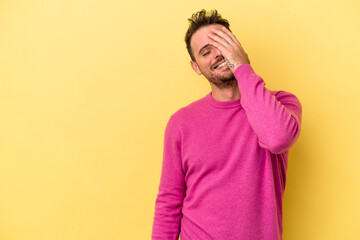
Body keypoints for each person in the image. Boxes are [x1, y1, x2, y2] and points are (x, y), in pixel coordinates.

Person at [152, 9, 302, 240]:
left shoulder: (281, 103)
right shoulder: (180, 123)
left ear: (237, 47)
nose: (218, 54)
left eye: (223, 43)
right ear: (196, 67)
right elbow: (169, 201)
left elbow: (278, 138)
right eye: (205, 52)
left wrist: (243, 68)